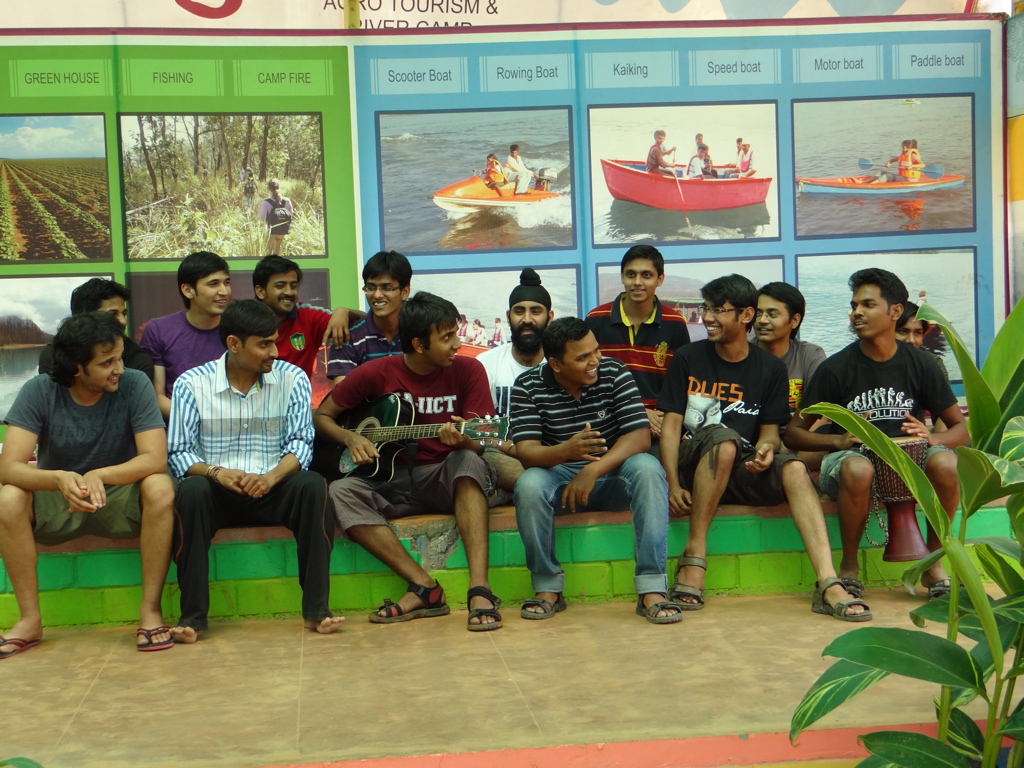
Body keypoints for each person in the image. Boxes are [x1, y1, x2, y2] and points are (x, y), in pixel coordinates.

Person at [658, 274, 869, 621]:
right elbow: (670, 426)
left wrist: (766, 450)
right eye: (707, 309)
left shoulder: (769, 368)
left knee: (794, 468)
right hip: (693, 461)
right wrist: (673, 482)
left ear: (745, 316)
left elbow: (770, 432)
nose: (708, 317)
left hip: (739, 466)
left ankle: (828, 582)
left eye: (718, 310)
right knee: (724, 439)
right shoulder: (688, 357)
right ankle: (693, 557)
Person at [315, 292, 503, 631]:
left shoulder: (469, 371)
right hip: (389, 479)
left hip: (443, 476)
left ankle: (480, 588)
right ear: (418, 343)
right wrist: (352, 438)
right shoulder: (377, 373)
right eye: (447, 337)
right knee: (339, 491)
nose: (457, 344)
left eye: (456, 333)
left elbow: (482, 440)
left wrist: (464, 439)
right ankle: (425, 588)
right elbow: (324, 416)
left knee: (467, 460)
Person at [784, 268, 968, 601]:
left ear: (895, 311)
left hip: (910, 463)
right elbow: (794, 435)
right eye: (854, 305)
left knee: (945, 463)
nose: (857, 312)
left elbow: (962, 428)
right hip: (850, 461)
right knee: (858, 467)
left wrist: (933, 439)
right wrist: (837, 441)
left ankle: (934, 562)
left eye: (868, 304)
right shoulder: (836, 368)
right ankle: (850, 568)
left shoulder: (921, 365)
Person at [0, 312, 175, 658]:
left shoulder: (135, 384)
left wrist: (99, 475)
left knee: (159, 486)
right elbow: (9, 467)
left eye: (120, 357)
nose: (119, 369)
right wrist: (59, 478)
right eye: (107, 362)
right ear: (77, 368)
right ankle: (30, 620)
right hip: (59, 497)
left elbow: (155, 458)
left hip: (119, 498)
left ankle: (150, 612)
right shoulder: (39, 390)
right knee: (8, 498)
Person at [167, 300, 342, 642]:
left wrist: (271, 477)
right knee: (190, 491)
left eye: (275, 341)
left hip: (273, 486)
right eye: (264, 344)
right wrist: (217, 473)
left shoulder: (292, 379)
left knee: (312, 485)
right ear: (234, 344)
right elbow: (178, 453)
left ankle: (317, 611)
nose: (274, 352)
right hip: (217, 489)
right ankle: (193, 618)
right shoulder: (192, 384)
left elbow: (301, 444)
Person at [510, 317, 681, 625]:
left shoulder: (614, 372)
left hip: (614, 476)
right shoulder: (527, 385)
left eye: (596, 351)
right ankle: (548, 587)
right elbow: (526, 453)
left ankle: (652, 588)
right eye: (583, 357)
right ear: (556, 364)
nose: (595, 362)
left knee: (647, 467)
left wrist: (593, 470)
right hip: (562, 481)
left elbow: (640, 437)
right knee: (530, 483)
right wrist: (567, 452)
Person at [586, 244, 690, 442]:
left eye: (646, 275)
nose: (637, 282)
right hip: (607, 424)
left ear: (660, 279)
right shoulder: (595, 319)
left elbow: (680, 385)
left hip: (658, 428)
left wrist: (665, 421)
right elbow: (587, 382)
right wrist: (639, 413)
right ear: (622, 277)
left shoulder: (675, 323)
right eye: (631, 274)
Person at [477, 267, 555, 493]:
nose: (527, 319)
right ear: (509, 315)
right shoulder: (486, 364)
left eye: (536, 311)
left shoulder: (561, 366)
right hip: (501, 454)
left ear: (549, 317)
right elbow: (480, 431)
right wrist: (511, 448)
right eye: (519, 311)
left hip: (551, 456)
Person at [141, 251, 232, 419]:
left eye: (226, 283)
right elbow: (157, 397)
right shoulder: (158, 329)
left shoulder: (238, 330)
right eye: (214, 284)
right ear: (188, 290)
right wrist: (203, 417)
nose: (224, 291)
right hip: (179, 427)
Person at [252, 254, 354, 384]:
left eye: (293, 286)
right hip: (251, 401)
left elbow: (367, 322)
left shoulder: (309, 318)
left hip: (296, 401)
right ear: (260, 291)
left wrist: (344, 312)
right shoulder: (242, 321)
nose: (289, 292)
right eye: (280, 286)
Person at [38, 277, 154, 383]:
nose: (123, 321)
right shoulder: (53, 355)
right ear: (84, 316)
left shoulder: (138, 360)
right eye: (113, 314)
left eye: (124, 314)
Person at [326, 250, 412, 383]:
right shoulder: (348, 337)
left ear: (404, 292)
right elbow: (342, 395)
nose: (377, 295)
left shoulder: (422, 332)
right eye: (371, 287)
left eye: (386, 288)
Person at [754, 282, 826, 417]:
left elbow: (821, 415)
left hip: (798, 436)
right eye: (758, 313)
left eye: (772, 314)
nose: (762, 320)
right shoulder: (742, 354)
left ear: (794, 320)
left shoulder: (810, 355)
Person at [259, 179, 295, 255]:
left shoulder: (266, 202)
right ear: (279, 187)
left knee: (269, 251)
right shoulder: (287, 200)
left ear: (268, 189)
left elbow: (262, 217)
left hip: (271, 230)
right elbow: (291, 214)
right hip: (283, 229)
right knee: (277, 248)